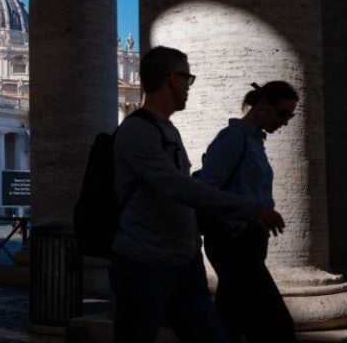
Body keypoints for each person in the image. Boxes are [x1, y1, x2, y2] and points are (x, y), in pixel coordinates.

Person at [110, 46, 286, 343]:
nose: (190, 87)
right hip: (144, 263)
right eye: (188, 78)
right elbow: (179, 187)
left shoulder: (167, 129)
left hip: (183, 260)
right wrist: (249, 210)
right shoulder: (136, 132)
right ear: (173, 79)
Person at [197, 81, 299, 343]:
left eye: (291, 115)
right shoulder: (233, 138)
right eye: (283, 113)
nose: (286, 122)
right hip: (234, 245)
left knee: (232, 321)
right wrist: (239, 220)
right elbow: (207, 188)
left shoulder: (255, 142)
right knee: (277, 327)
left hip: (250, 244)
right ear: (263, 104)